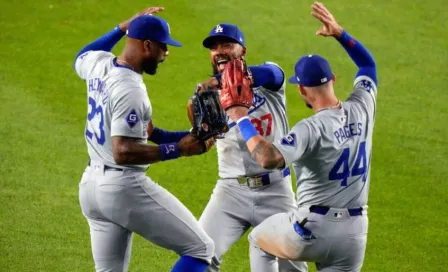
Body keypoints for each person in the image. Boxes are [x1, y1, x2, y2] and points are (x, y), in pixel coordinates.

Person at [224, 2, 378, 271]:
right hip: (355, 235)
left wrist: (241, 117)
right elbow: (368, 64)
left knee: (259, 240)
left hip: (312, 231)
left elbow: (268, 158)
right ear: (334, 79)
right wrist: (340, 33)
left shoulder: (310, 128)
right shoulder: (363, 105)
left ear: (302, 91)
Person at [73, 7, 215, 272]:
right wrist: (178, 150)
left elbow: (81, 56)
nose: (166, 54)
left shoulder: (100, 64)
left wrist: (191, 138)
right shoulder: (130, 88)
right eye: (163, 47)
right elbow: (123, 151)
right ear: (147, 46)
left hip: (91, 187)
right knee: (200, 249)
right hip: (122, 188)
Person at [197, 23, 308, 272]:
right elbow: (200, 140)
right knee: (198, 252)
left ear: (243, 50)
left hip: (276, 190)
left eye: (226, 44)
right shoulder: (209, 97)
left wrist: (221, 80)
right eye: (214, 47)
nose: (219, 51)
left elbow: (274, 74)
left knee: (293, 268)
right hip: (230, 191)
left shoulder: (270, 82)